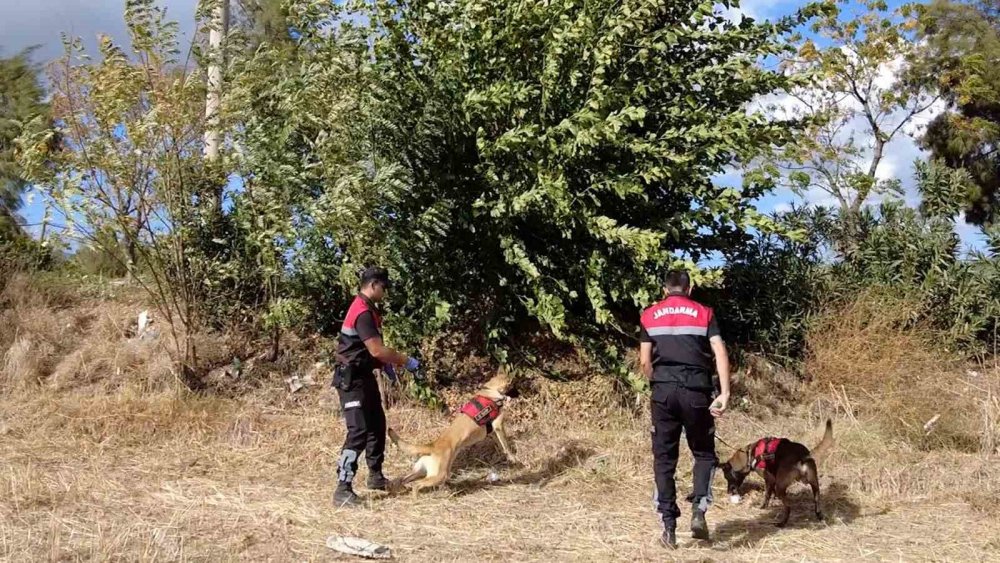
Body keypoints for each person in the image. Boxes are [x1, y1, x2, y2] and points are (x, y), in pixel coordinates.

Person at [639, 270, 731, 548]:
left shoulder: (649, 315)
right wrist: (724, 393)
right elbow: (720, 352)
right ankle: (699, 510)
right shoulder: (704, 313)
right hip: (697, 392)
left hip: (663, 393)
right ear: (689, 289)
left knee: (664, 459)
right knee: (704, 453)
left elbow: (645, 362)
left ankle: (668, 527)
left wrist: (658, 382)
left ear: (665, 289)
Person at [332, 266, 421, 507]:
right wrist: (405, 361)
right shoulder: (362, 311)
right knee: (358, 431)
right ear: (373, 285)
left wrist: (384, 365)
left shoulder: (369, 309)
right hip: (351, 380)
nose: (385, 292)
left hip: (364, 375)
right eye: (383, 287)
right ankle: (343, 488)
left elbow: (370, 350)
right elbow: (376, 349)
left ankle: (375, 476)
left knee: (377, 425)